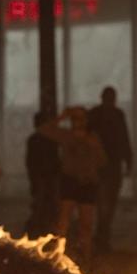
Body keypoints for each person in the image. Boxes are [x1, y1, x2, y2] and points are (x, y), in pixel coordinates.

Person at [41, 107, 107, 261]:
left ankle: (86, 257)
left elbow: (103, 160)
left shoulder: (93, 138)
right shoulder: (67, 136)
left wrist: (92, 147)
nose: (78, 122)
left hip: (87, 182)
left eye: (81, 119)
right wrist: (62, 116)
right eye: (75, 119)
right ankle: (57, 256)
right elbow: (44, 129)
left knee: (86, 224)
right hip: (70, 181)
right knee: (63, 221)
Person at [87, 87, 132, 253]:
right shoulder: (115, 115)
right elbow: (124, 138)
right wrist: (128, 159)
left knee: (105, 203)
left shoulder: (96, 115)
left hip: (106, 165)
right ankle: (102, 237)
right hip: (108, 165)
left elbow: (124, 137)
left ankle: (101, 236)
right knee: (106, 203)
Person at [25, 109, 61, 237]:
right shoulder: (44, 140)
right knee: (43, 206)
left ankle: (39, 232)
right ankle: (40, 232)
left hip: (46, 178)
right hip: (44, 178)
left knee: (44, 206)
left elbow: (30, 163)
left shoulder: (36, 140)